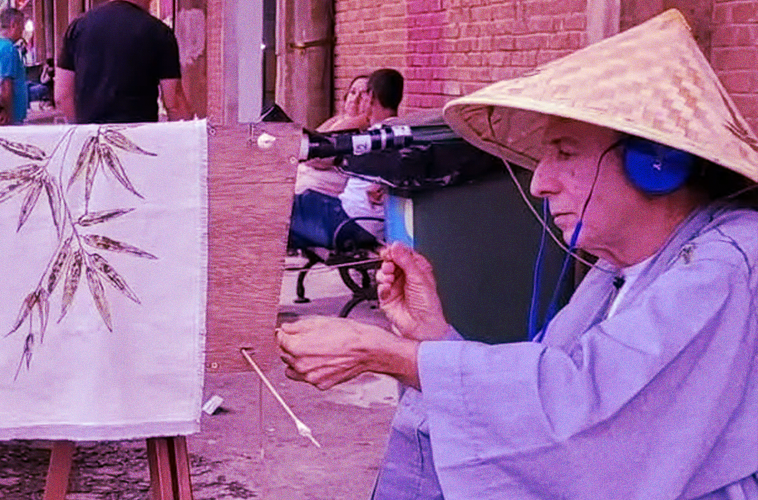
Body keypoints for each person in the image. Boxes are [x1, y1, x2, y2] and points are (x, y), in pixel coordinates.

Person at [279, 10, 758, 499]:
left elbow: (579, 419)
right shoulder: (619, 267)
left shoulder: (724, 266)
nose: (539, 183)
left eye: (565, 153)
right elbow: (537, 396)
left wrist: (389, 355)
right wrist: (434, 337)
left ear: (655, 164)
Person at [288, 69, 400, 252]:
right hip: (357, 218)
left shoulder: (371, 138)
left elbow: (322, 153)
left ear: (371, 97)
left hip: (350, 221)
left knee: (281, 209)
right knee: (302, 200)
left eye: (364, 95)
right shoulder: (399, 132)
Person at [54, 0, 191, 124]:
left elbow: (62, 95)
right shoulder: (159, 32)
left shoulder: (78, 27)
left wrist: (82, 131)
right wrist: (189, 137)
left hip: (92, 138)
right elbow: (174, 102)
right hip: (139, 137)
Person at [0, 8, 28, 124]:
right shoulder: (9, 49)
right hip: (11, 117)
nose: (23, 30)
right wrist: (7, 112)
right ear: (14, 25)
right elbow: (5, 85)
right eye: (22, 25)